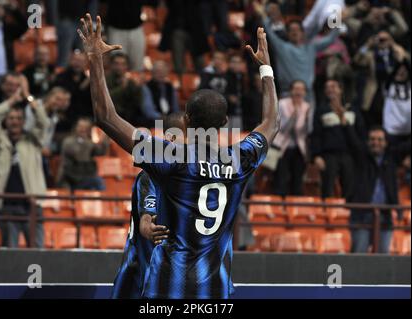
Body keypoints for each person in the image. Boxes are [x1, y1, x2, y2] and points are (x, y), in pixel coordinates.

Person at [77, 14, 279, 299]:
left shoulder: (171, 157)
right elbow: (271, 123)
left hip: (165, 286)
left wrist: (95, 59)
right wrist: (266, 69)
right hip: (216, 289)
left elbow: (106, 118)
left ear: (185, 120)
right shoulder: (240, 159)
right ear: (224, 124)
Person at [112, 112, 183, 299]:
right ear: (171, 138)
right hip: (144, 270)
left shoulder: (188, 175)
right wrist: (148, 228)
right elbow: (147, 219)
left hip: (172, 272)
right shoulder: (151, 175)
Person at [0, 82, 50, 248]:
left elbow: (44, 123)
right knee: (10, 253)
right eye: (11, 118)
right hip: (6, 204)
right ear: (6, 121)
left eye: (19, 119)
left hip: (31, 205)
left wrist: (29, 98)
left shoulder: (32, 141)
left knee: (37, 254)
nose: (15, 122)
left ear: (24, 121)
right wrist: (11, 101)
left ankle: (37, 276)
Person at [341, 123, 410, 254]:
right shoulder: (361, 157)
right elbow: (352, 140)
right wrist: (345, 123)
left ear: (385, 142)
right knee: (359, 254)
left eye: (379, 139)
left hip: (385, 215)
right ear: (367, 142)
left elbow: (406, 146)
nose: (376, 143)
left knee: (383, 256)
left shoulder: (391, 158)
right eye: (372, 139)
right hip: (361, 215)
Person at [310, 79, 365, 198]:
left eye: (333, 86)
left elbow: (360, 134)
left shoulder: (352, 110)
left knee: (350, 188)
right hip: (329, 155)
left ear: (341, 90)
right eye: (327, 87)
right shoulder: (321, 110)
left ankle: (347, 215)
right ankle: (327, 214)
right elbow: (316, 135)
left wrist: (343, 119)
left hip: (349, 155)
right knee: (327, 188)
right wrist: (316, 156)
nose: (330, 89)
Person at [272, 80, 310, 196]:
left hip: (299, 147)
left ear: (304, 92)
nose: (298, 92)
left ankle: (295, 207)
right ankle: (279, 207)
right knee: (281, 179)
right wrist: (294, 117)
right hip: (282, 147)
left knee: (297, 180)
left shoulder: (307, 106)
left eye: (301, 89)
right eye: (296, 89)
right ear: (291, 91)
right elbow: (281, 128)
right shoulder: (282, 104)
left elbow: (305, 130)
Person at [57, 117, 108, 191]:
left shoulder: (89, 142)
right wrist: (86, 142)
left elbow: (101, 152)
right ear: (75, 127)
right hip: (71, 177)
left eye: (85, 127)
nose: (83, 129)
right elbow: (78, 156)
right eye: (80, 126)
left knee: (98, 182)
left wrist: (105, 137)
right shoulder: (68, 142)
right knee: (97, 181)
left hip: (85, 177)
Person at [141, 60, 180, 126]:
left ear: (166, 73)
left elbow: (175, 108)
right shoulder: (146, 87)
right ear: (152, 73)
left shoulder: (170, 87)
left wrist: (176, 119)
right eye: (157, 72)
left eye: (162, 71)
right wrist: (163, 118)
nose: (160, 74)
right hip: (155, 121)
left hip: (169, 120)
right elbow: (149, 111)